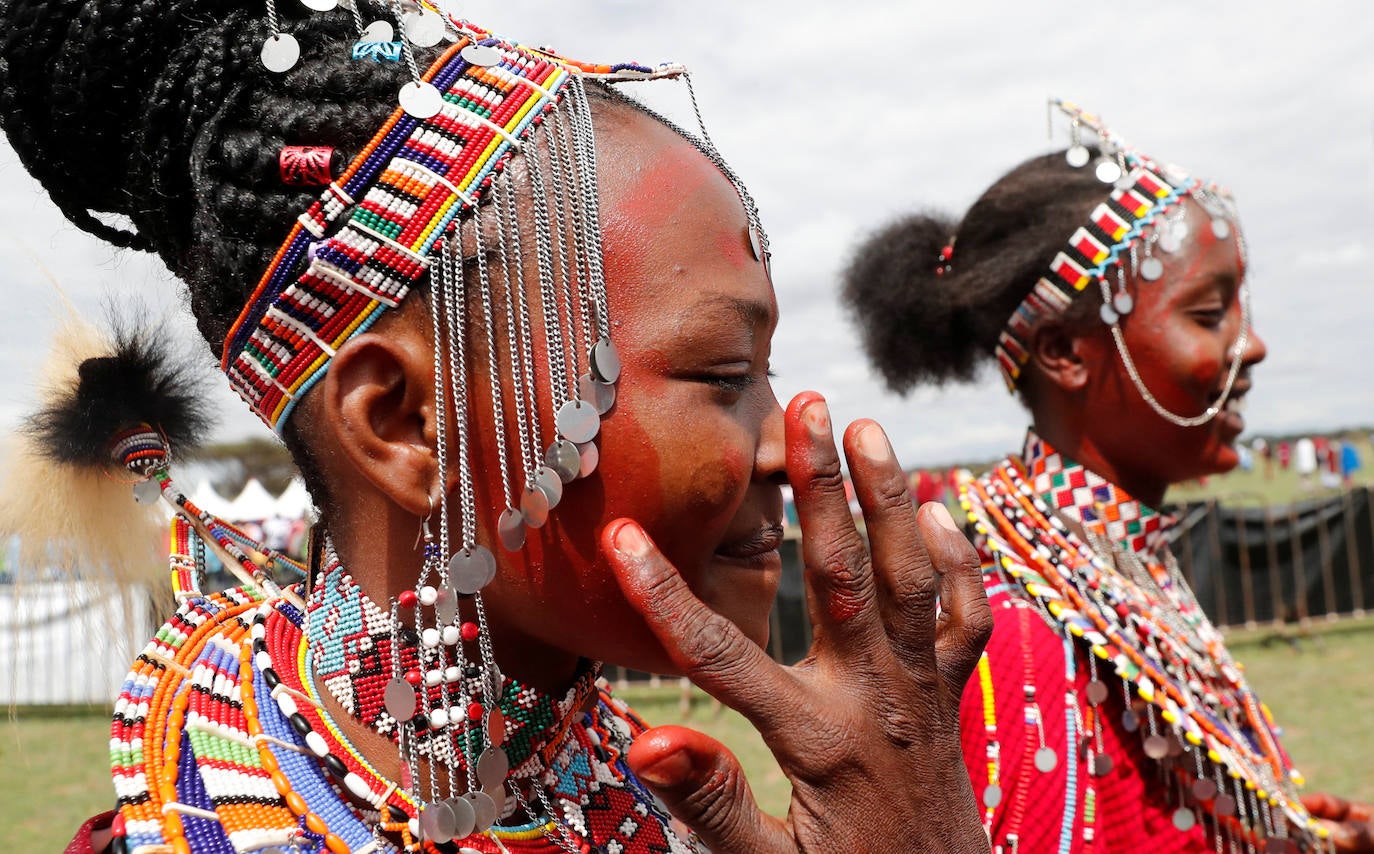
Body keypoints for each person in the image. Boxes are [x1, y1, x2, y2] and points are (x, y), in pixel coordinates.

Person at [2, 2, 995, 853]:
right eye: (723, 372)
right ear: (405, 423)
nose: (785, 444)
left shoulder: (651, 798)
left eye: (764, 370)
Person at [842, 99, 1373, 852]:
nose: (1250, 345)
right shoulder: (1013, 642)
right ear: (1063, 351)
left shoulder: (1116, 577)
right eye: (1209, 312)